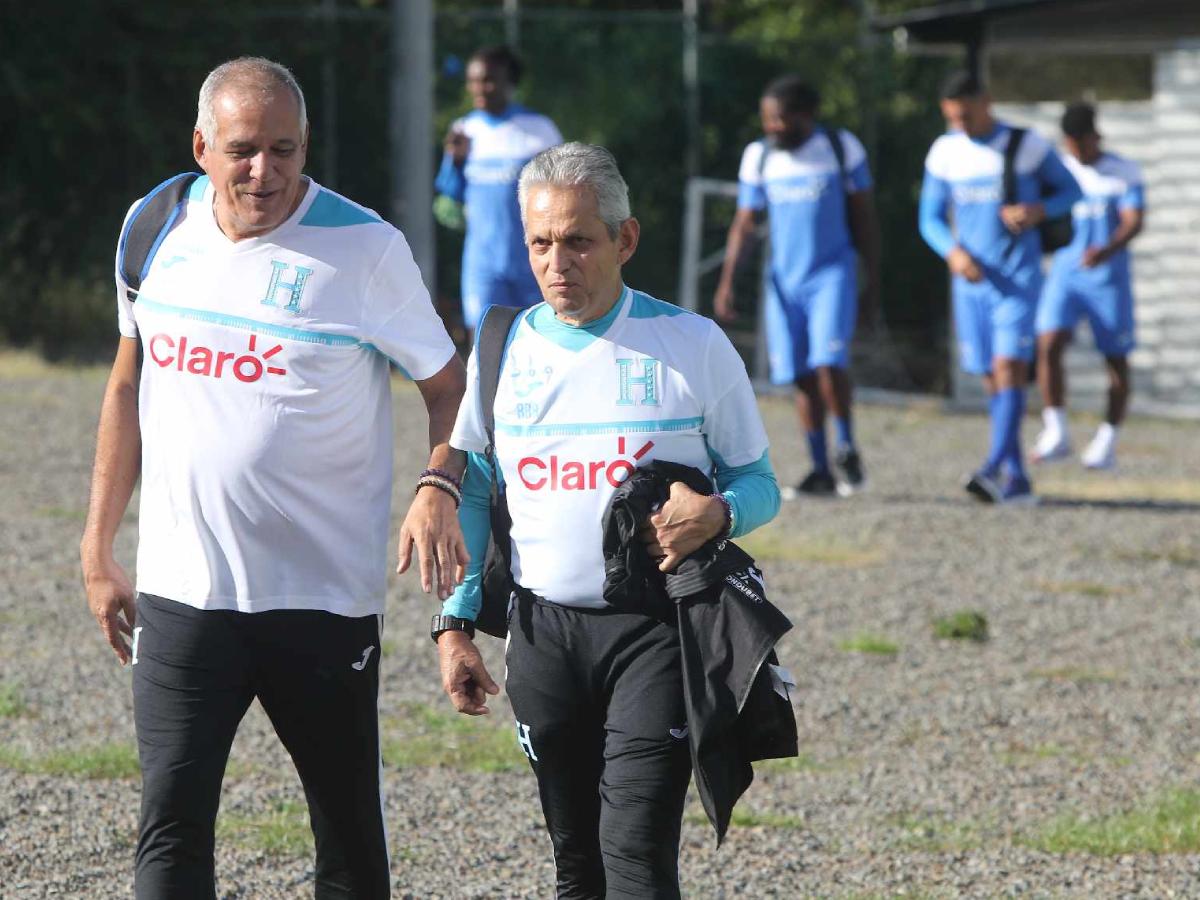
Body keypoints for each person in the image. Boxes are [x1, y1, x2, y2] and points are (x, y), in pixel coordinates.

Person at [79, 57, 467, 899]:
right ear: (202, 146)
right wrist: (97, 548)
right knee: (170, 834)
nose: (267, 172)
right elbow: (125, 385)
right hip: (183, 597)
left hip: (321, 601)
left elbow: (448, 387)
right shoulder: (153, 226)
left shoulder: (365, 249)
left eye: (285, 149)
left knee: (349, 848)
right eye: (244, 150)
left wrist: (439, 487)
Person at [432, 143, 781, 898]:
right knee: (575, 861)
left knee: (633, 851)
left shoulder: (691, 345)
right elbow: (477, 484)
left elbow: (760, 483)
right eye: (541, 243)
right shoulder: (502, 348)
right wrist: (455, 622)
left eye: (580, 240)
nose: (559, 262)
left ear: (624, 240)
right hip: (545, 635)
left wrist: (719, 514)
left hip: (654, 631)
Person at [714, 75, 881, 498]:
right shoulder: (760, 157)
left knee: (829, 363)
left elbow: (864, 216)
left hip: (832, 274)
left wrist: (872, 279)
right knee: (801, 374)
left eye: (780, 119)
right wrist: (729, 280)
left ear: (806, 116)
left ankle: (845, 445)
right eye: (767, 119)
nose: (772, 127)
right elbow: (746, 223)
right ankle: (819, 469)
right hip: (784, 281)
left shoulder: (841, 148)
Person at [919, 71, 1081, 505]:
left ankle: (991, 467)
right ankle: (1018, 478)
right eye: (953, 119)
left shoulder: (1025, 145)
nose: (962, 126)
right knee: (993, 378)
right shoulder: (945, 151)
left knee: (1010, 368)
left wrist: (1038, 209)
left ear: (986, 102)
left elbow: (1072, 190)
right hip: (971, 283)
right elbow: (929, 217)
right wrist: (952, 253)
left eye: (967, 116)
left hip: (1018, 279)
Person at [1031, 102, 1146, 469]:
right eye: (1072, 144)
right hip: (1066, 275)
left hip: (1107, 280)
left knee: (1115, 359)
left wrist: (1108, 247)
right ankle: (1056, 430)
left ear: (1096, 137)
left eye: (1084, 143)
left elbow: (1133, 220)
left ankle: (1107, 439)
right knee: (1047, 342)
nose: (1078, 152)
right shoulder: (1059, 173)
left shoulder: (1122, 172)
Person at [435, 45, 562, 335]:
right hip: (483, 263)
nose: (479, 88)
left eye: (488, 80)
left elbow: (564, 195)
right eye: (473, 81)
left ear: (510, 82)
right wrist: (454, 162)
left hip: (534, 261)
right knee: (487, 342)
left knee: (542, 338)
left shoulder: (539, 130)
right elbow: (449, 197)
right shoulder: (464, 130)